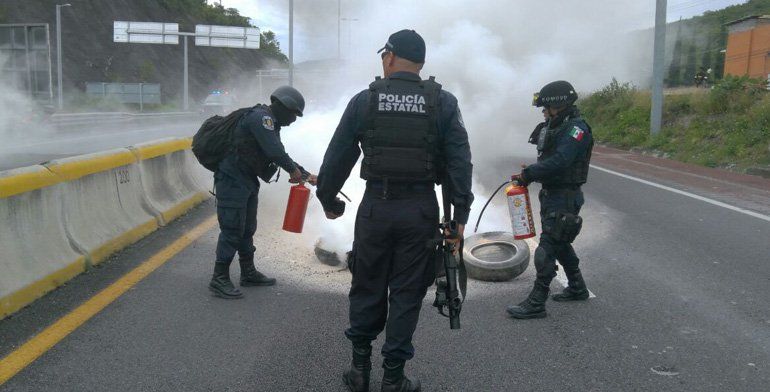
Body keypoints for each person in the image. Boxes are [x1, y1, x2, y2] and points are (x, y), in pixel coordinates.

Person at [316, 29, 474, 392]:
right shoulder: (442, 102)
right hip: (419, 210)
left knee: (367, 283)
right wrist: (458, 220)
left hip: (376, 208)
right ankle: (393, 377)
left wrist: (329, 201)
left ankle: (359, 371)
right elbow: (459, 165)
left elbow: (337, 157)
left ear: (388, 56)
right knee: (407, 292)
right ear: (420, 63)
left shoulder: (365, 100)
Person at [209, 86, 317, 299]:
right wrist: (295, 171)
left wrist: (304, 174)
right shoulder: (262, 119)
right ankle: (219, 278)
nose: (294, 120)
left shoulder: (269, 121)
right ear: (283, 106)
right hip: (231, 180)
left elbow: (277, 152)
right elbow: (274, 151)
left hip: (246, 179)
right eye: (294, 114)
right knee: (232, 229)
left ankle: (248, 272)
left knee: (247, 228)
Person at [507, 80, 593, 319]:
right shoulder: (559, 126)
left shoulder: (577, 129)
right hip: (553, 194)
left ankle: (536, 302)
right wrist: (532, 172)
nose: (543, 112)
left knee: (546, 248)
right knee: (561, 242)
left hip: (565, 196)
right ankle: (577, 288)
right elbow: (551, 161)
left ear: (559, 104)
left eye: (546, 107)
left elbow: (561, 161)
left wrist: (530, 174)